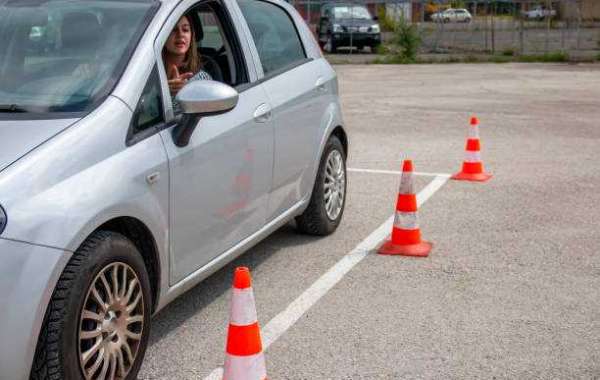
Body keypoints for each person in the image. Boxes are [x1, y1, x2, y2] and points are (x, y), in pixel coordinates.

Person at [162, 15, 211, 112]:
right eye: (173, 29)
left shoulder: (201, 79)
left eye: (185, 30)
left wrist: (184, 95)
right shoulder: (147, 74)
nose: (180, 34)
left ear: (191, 35)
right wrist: (163, 93)